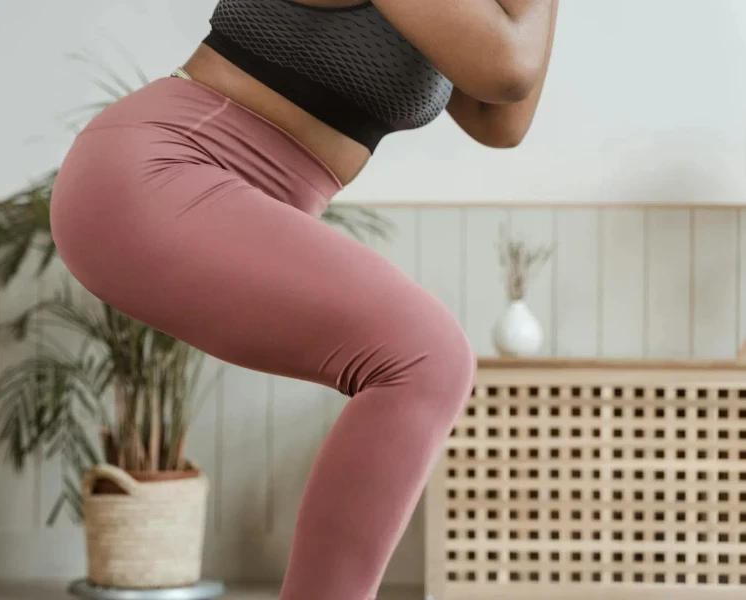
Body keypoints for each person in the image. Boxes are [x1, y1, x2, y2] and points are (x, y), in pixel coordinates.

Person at [50, 0, 558, 598]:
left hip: (211, 186)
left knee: (425, 361)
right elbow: (509, 68)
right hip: (160, 171)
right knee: (427, 358)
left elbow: (500, 120)